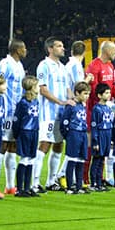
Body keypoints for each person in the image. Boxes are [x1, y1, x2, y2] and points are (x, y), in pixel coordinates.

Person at [35, 37, 73, 194]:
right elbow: (42, 89)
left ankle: (51, 181)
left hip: (61, 114)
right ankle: (35, 182)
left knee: (58, 145)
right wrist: (60, 102)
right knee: (45, 144)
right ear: (50, 49)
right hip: (47, 113)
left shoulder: (62, 67)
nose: (62, 48)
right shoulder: (44, 65)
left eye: (62, 46)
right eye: (59, 46)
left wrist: (72, 100)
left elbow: (67, 88)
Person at [0, 38, 27, 196]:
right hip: (5, 111)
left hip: (16, 112)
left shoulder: (19, 65)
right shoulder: (5, 64)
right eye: (23, 48)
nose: (25, 51)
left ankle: (10, 185)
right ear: (17, 50)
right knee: (2, 145)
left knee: (13, 147)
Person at [84, 40, 115, 186]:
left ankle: (99, 177)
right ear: (106, 51)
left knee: (103, 144)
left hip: (106, 109)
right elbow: (93, 90)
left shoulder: (110, 66)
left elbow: (113, 87)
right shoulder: (94, 65)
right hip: (93, 110)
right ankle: (85, 177)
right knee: (92, 144)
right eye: (114, 50)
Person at [60, 82, 90, 194]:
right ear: (77, 93)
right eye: (85, 94)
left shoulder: (82, 105)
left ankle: (79, 185)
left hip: (82, 134)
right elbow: (64, 122)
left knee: (81, 160)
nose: (87, 96)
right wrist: (67, 135)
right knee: (72, 160)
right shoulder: (71, 105)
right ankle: (69, 187)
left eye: (88, 94)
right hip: (74, 134)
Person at [13, 76, 40, 197]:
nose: (39, 88)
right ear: (32, 87)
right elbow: (16, 120)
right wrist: (16, 133)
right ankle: (19, 189)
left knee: (31, 159)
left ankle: (27, 187)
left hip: (34, 131)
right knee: (24, 159)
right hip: (25, 132)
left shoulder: (36, 101)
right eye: (37, 86)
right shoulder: (22, 103)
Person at [90, 83, 114, 191]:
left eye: (109, 92)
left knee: (102, 160)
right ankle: (93, 183)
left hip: (107, 135)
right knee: (96, 160)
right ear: (99, 95)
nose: (109, 95)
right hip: (100, 135)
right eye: (106, 93)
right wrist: (95, 141)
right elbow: (94, 126)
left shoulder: (108, 108)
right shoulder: (97, 109)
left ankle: (99, 182)